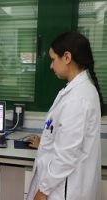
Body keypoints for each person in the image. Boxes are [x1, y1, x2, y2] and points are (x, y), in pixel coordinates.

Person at [26, 31, 103, 200]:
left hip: (64, 191)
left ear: (67, 57)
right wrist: (44, 145)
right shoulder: (76, 91)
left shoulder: (78, 99)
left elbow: (66, 157)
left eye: (53, 59)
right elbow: (65, 137)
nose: (51, 66)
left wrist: (42, 191)